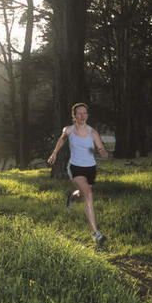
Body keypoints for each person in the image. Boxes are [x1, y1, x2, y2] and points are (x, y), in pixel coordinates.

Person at [47, 102, 109, 247]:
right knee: (88, 194)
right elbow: (61, 140)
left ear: (87, 115)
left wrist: (103, 152)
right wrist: (54, 153)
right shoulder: (68, 130)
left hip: (90, 168)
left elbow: (100, 148)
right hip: (75, 167)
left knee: (83, 194)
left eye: (85, 113)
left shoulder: (92, 132)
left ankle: (72, 197)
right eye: (79, 113)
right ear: (74, 116)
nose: (82, 116)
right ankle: (96, 234)